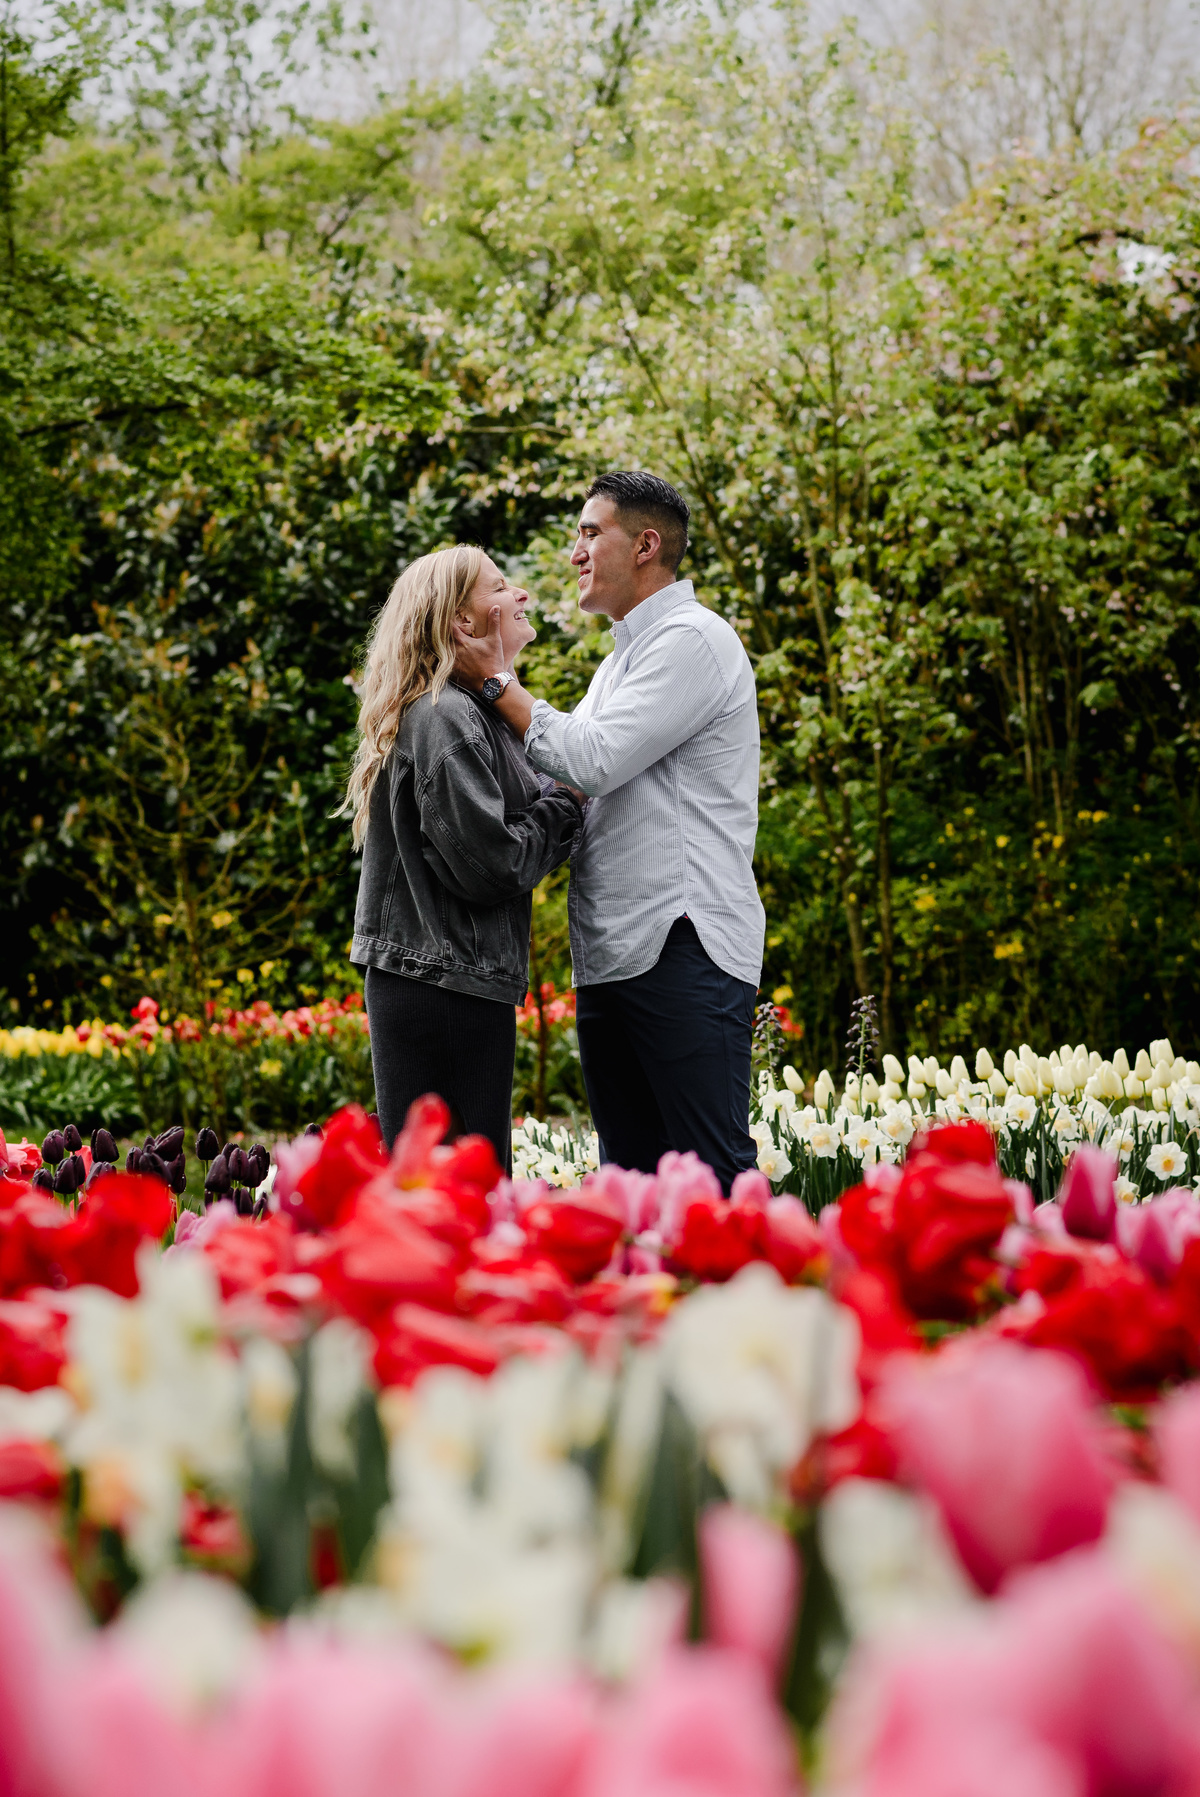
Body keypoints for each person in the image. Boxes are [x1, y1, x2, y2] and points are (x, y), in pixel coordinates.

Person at [452, 470, 763, 1192]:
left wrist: (499, 682)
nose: (575, 552)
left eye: (592, 533)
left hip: (683, 945)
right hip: (613, 960)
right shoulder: (620, 662)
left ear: (647, 544)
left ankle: (757, 1304)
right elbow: (564, 779)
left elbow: (589, 760)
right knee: (634, 1187)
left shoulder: (694, 640)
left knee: (711, 1179)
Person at [343, 545, 582, 1165]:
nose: (521, 596)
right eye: (500, 588)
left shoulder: (468, 710)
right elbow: (490, 863)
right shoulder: (445, 715)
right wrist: (570, 803)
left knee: (457, 1191)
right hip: (439, 982)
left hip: (446, 975)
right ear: (463, 623)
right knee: (459, 1194)